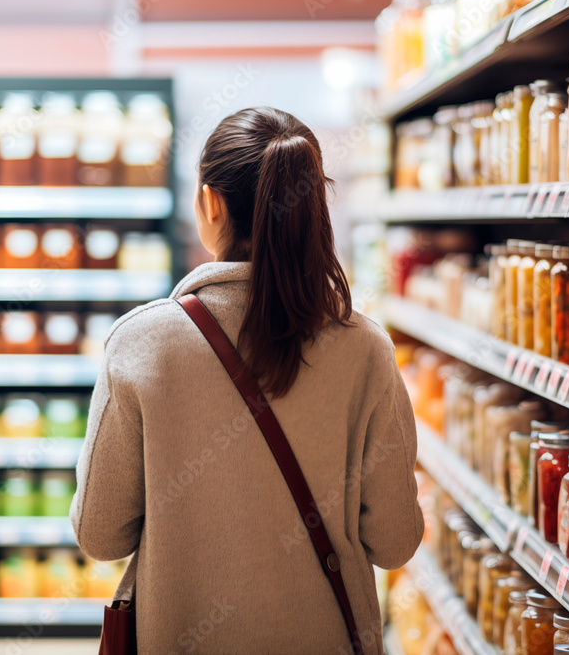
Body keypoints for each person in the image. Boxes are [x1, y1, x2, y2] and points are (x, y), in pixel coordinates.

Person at [71, 107, 423, 654]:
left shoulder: (141, 343)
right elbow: (395, 540)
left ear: (210, 202)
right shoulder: (365, 349)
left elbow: (100, 533)